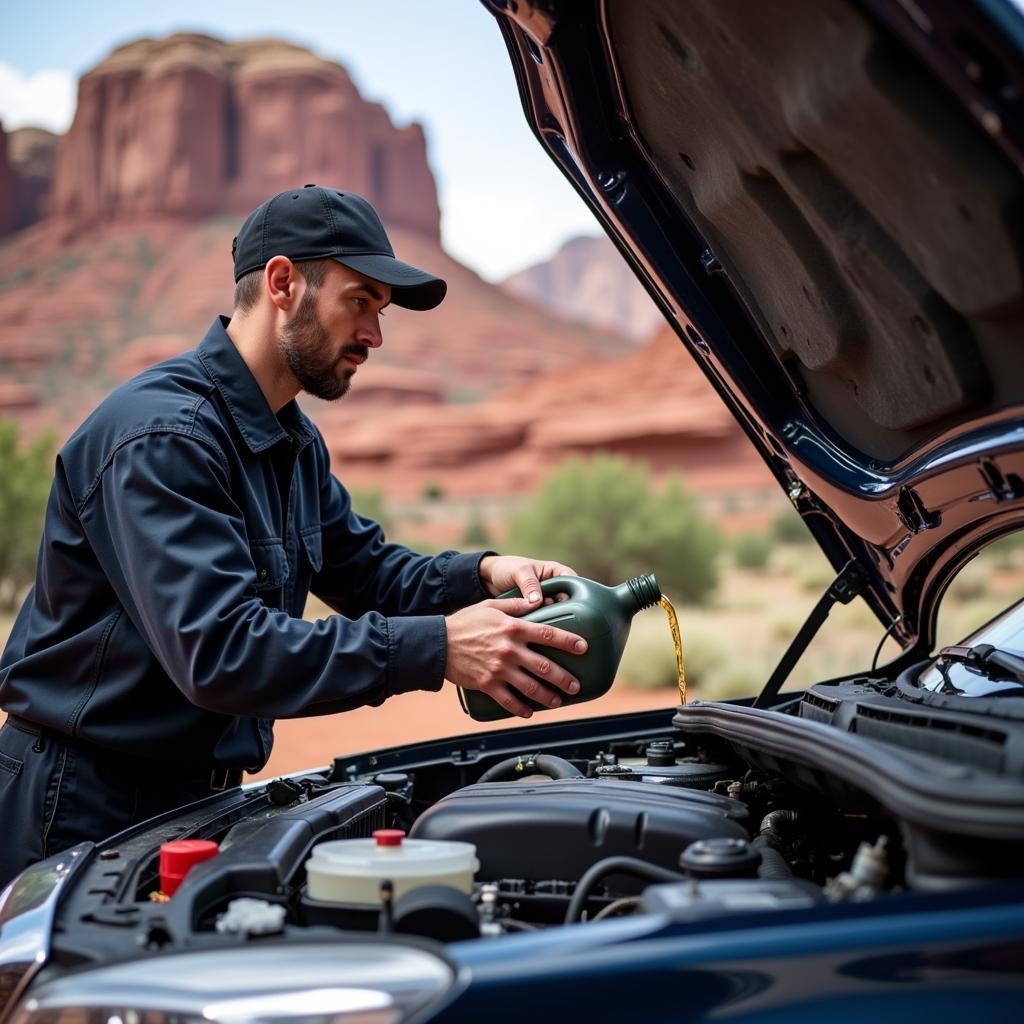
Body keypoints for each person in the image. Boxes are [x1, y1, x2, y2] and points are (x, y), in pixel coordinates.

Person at [0, 185, 586, 888]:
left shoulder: (289, 439)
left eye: (380, 311)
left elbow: (367, 571)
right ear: (283, 284)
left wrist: (483, 573)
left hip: (191, 795)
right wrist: (442, 648)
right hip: (80, 804)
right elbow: (222, 654)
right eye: (360, 301)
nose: (374, 335)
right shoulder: (166, 437)